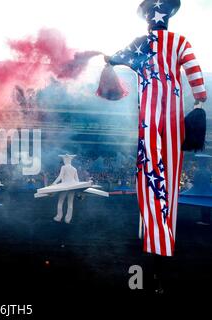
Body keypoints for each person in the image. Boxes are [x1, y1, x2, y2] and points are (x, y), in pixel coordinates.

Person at [105, 0, 207, 257]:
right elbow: (194, 71)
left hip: (149, 113)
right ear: (168, 16)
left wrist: (109, 60)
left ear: (147, 18)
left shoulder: (139, 43)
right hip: (174, 113)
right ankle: (166, 237)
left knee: (149, 169)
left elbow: (114, 59)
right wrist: (200, 100)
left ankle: (154, 237)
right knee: (171, 174)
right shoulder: (180, 41)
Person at [53, 155, 79, 224]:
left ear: (66, 160)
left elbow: (60, 176)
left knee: (60, 201)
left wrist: (54, 183)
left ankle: (59, 217)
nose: (63, 161)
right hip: (72, 186)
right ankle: (68, 219)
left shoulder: (64, 167)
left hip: (65, 186)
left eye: (64, 160)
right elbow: (77, 181)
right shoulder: (74, 169)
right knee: (70, 203)